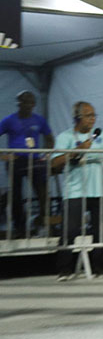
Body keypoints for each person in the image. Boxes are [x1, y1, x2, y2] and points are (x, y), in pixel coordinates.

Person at [51, 102, 103, 280]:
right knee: (69, 231)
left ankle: (99, 267)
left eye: (94, 115)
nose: (93, 118)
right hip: (75, 191)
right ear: (77, 118)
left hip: (101, 191)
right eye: (88, 115)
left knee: (101, 231)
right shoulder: (65, 137)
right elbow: (54, 162)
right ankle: (64, 269)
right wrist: (76, 151)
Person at [0, 91, 54, 238]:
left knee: (42, 193)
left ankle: (43, 224)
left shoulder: (39, 120)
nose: (27, 105)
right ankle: (20, 228)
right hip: (15, 161)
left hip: (34, 160)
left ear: (34, 104)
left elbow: (49, 137)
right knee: (16, 196)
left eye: (30, 102)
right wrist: (3, 155)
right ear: (18, 103)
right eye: (23, 102)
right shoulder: (9, 120)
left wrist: (47, 154)